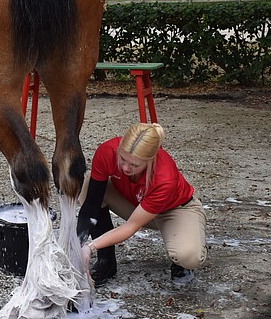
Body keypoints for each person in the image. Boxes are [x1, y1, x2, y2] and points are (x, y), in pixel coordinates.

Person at [77, 122, 207, 286]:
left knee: (189, 256)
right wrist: (78, 244)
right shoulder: (107, 151)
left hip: (174, 210)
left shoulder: (164, 177)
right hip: (136, 204)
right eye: (122, 159)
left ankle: (182, 255)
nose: (125, 167)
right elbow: (91, 206)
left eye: (134, 165)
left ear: (151, 160)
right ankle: (107, 261)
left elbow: (131, 226)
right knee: (88, 185)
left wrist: (90, 247)